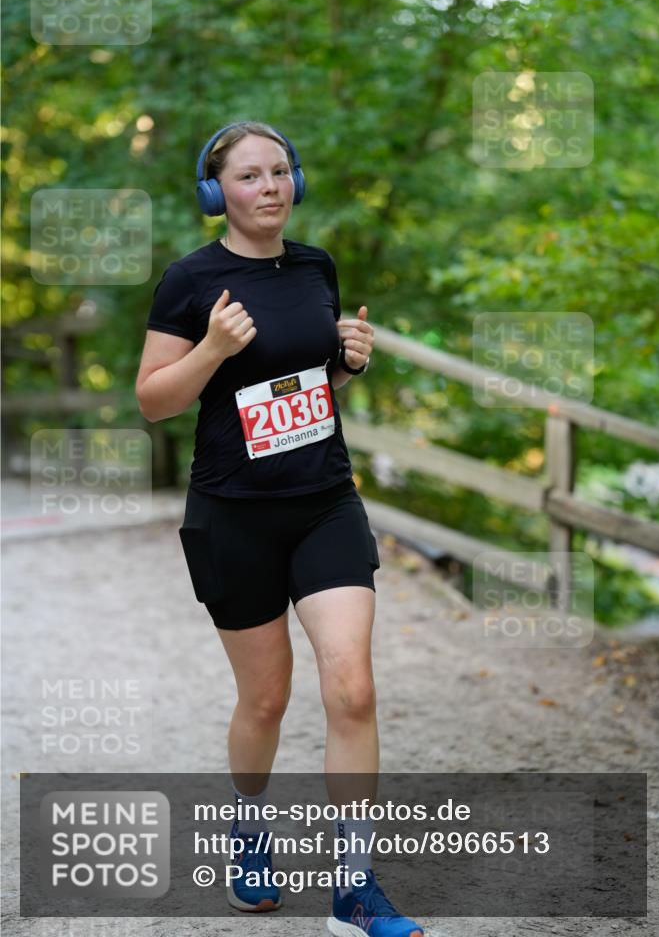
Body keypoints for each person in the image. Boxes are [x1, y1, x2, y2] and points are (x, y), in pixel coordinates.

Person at [136, 121, 424, 937]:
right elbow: (153, 400)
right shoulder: (190, 280)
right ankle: (249, 830)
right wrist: (211, 349)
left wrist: (347, 363)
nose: (268, 188)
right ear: (215, 192)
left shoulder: (314, 267)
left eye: (279, 172)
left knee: (352, 686)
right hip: (233, 514)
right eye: (248, 176)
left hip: (324, 501)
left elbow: (304, 386)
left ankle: (353, 888)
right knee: (265, 700)